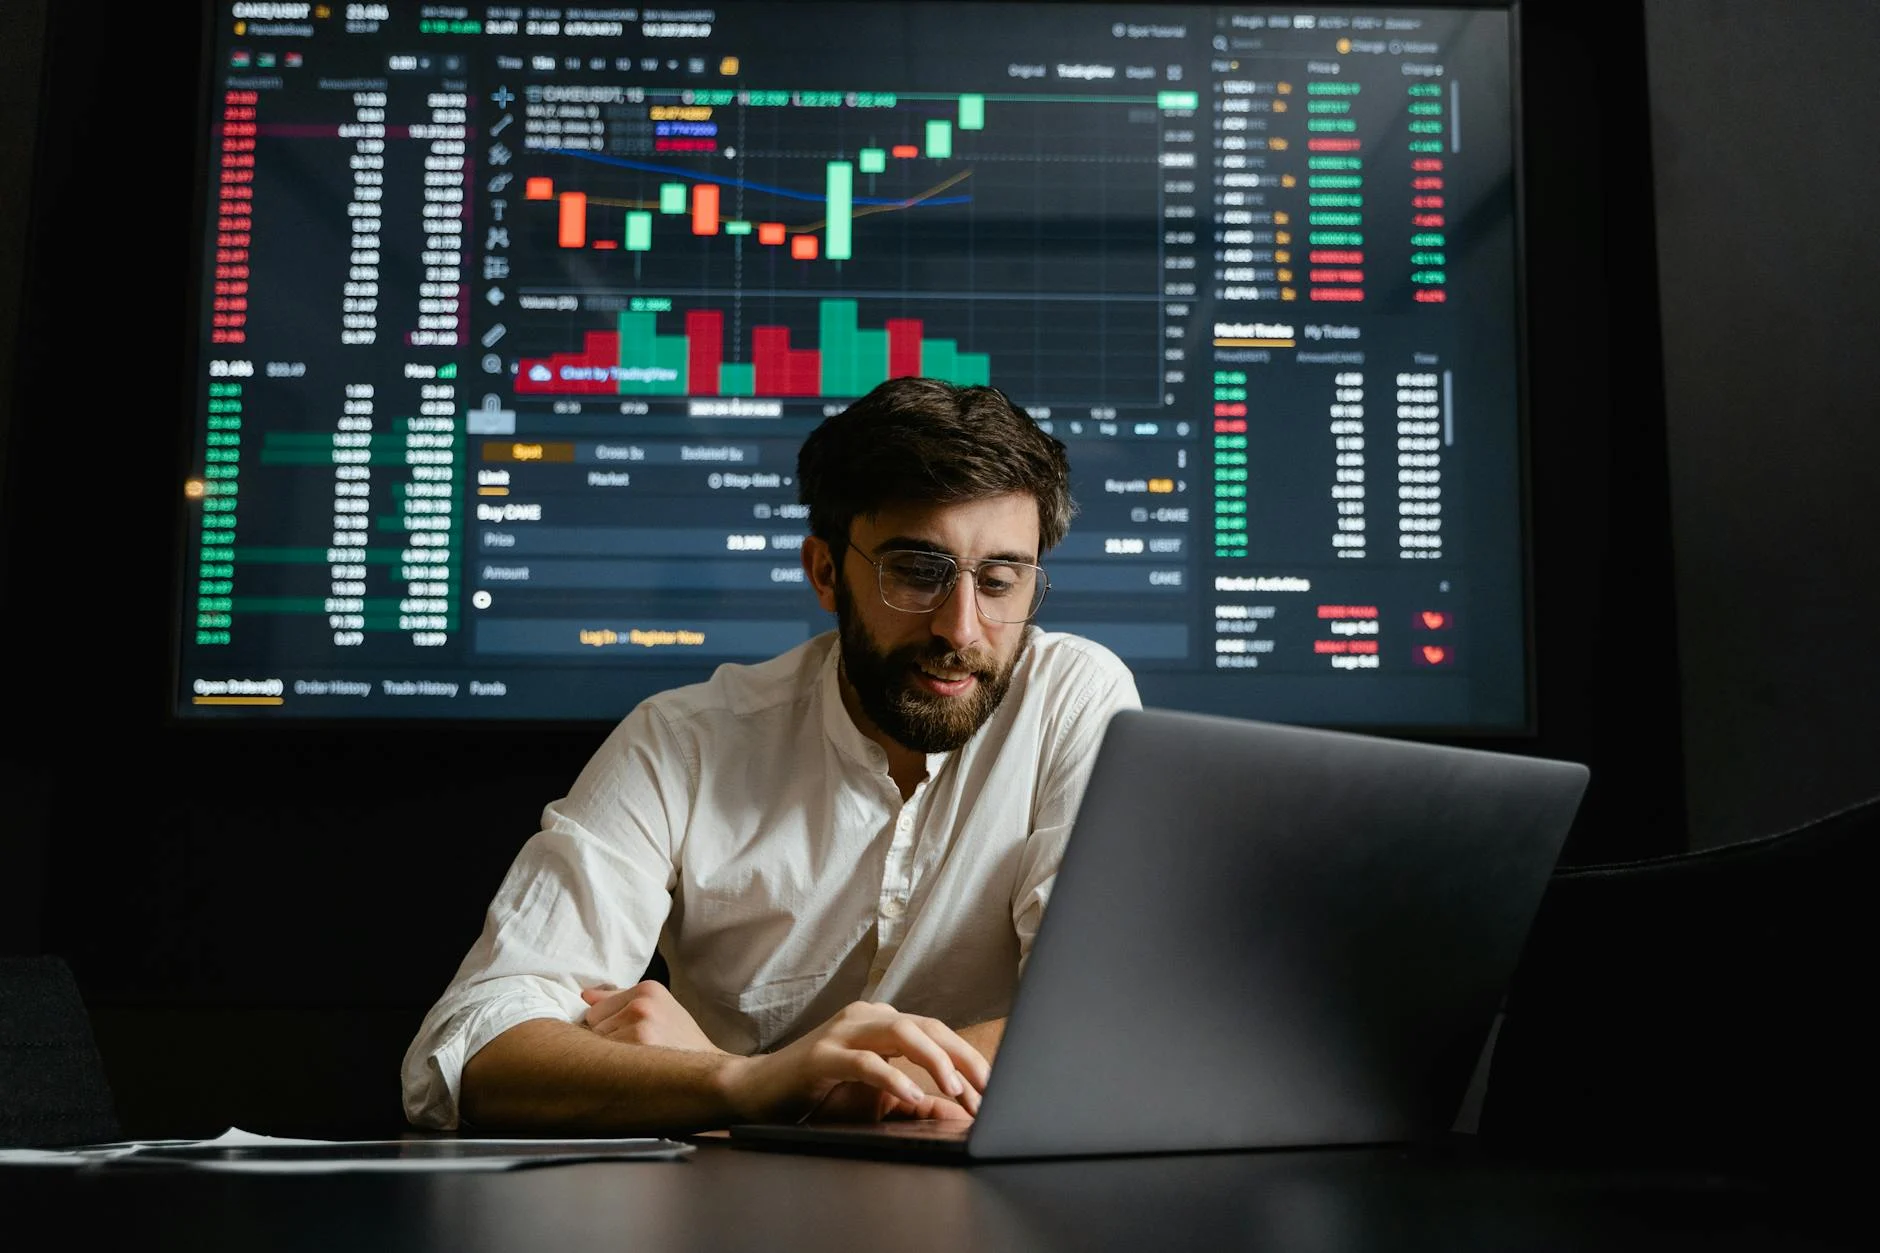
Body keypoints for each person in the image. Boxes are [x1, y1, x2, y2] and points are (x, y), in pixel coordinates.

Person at [400, 377, 1142, 1134]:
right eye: (917, 571)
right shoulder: (679, 742)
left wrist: (787, 1092)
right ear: (825, 571)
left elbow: (1104, 1015)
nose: (962, 627)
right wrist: (743, 1082)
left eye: (999, 580)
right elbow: (470, 1049)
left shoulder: (1074, 699)